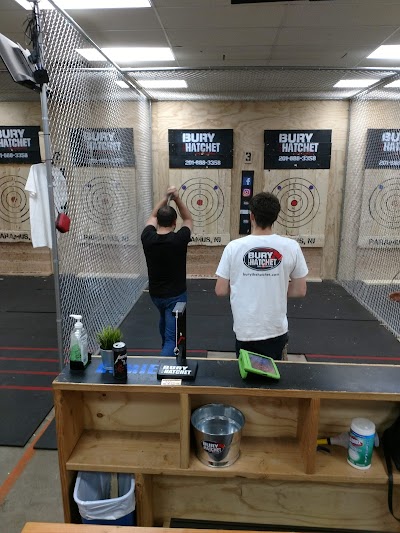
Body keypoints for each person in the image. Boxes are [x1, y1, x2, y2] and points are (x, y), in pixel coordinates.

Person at [215, 191, 308, 360]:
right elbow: (300, 290)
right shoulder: (291, 247)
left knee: (247, 377)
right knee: (274, 378)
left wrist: (244, 287)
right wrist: (276, 290)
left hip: (246, 329)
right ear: (276, 217)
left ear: (252, 216)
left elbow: (220, 290)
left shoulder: (233, 247)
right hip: (275, 328)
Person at [141, 186, 193, 356]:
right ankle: (163, 371)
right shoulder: (179, 239)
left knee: (165, 322)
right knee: (172, 339)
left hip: (156, 295)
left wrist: (165, 197)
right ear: (174, 223)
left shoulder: (147, 237)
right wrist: (176, 198)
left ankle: (167, 352)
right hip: (175, 297)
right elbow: (188, 219)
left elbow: (153, 216)